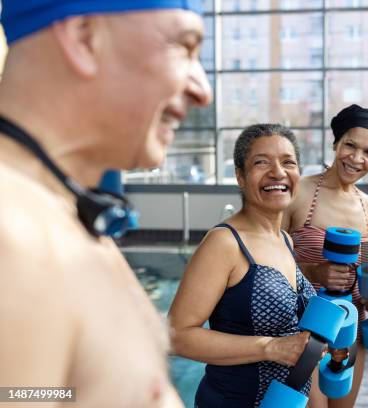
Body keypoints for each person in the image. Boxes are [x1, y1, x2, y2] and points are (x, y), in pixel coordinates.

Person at [0, 1, 211, 406]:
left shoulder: (62, 214)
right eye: (185, 48)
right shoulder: (13, 237)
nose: (203, 90)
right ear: (84, 38)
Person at [169, 124, 317, 407]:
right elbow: (176, 336)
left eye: (288, 162)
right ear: (240, 176)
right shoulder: (225, 243)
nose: (278, 172)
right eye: (261, 162)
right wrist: (270, 348)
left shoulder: (285, 240)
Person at [283, 104, 368, 407]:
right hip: (302, 330)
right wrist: (312, 272)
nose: (357, 158)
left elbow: (364, 268)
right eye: (350, 145)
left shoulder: (367, 207)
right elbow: (265, 265)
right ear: (336, 143)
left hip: (349, 330)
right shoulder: (298, 193)